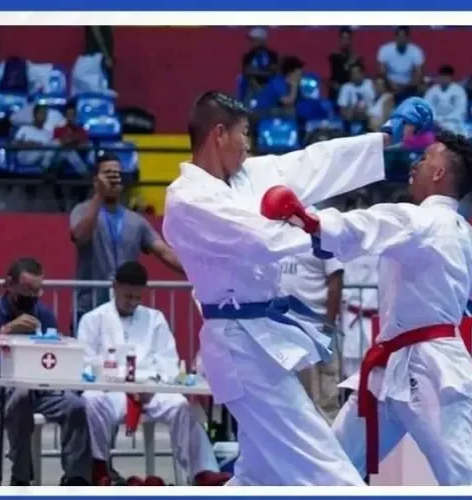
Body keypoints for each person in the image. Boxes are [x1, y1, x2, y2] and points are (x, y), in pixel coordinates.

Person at [160, 91, 434, 486]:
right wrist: (324, 228)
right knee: (329, 470)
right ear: (219, 134)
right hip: (239, 347)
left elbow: (316, 162)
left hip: (261, 339)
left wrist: (386, 138)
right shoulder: (188, 199)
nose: (248, 144)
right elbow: (260, 239)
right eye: (244, 134)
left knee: (259, 478)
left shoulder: (249, 176)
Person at [260, 130, 472, 485]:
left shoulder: (418, 219)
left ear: (439, 172)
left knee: (463, 480)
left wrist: (310, 220)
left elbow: (365, 224)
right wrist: (448, 291)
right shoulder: (469, 237)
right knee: (333, 464)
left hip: (430, 367)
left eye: (424, 159)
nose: (415, 164)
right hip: (391, 366)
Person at [77, 261, 229, 486]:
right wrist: (120, 381)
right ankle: (99, 467)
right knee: (91, 400)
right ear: (115, 287)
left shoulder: (155, 319)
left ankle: (202, 472)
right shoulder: (93, 320)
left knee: (181, 406)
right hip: (113, 391)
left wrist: (150, 384)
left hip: (152, 390)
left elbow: (168, 361)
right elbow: (86, 364)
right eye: (128, 296)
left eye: (138, 298)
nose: (133, 303)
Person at [0, 257, 92, 485]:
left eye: (38, 290)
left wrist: (59, 345)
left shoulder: (44, 313)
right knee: (20, 394)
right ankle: (21, 477)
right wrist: (7, 330)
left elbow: (53, 358)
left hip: (41, 388)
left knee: (76, 406)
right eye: (27, 290)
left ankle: (76, 478)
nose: (33, 296)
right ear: (9, 284)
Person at [69, 153, 183, 325]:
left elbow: (165, 252)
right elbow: (80, 237)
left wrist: (198, 272)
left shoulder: (136, 221)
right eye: (108, 174)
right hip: (89, 306)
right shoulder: (82, 210)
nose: (114, 179)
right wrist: (99, 195)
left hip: (125, 308)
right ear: (95, 181)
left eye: (118, 174)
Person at [279, 247, 345, 422]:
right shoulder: (276, 235)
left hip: (317, 330)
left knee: (325, 403)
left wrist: (327, 326)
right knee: (289, 403)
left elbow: (335, 282)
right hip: (284, 332)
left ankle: (331, 447)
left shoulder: (322, 238)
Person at [338, 192, 379, 379]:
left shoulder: (379, 245)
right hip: (349, 315)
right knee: (348, 374)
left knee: (375, 373)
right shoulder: (337, 246)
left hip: (375, 316)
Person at [376, 26, 425, 100]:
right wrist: (391, 83)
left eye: (404, 37)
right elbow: (382, 71)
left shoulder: (416, 51)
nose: (401, 40)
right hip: (389, 84)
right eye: (399, 36)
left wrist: (406, 86)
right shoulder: (385, 49)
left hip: (409, 85)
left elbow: (418, 74)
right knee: (379, 82)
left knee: (422, 86)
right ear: (395, 37)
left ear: (408, 38)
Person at [423, 65, 468, 135]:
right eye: (442, 76)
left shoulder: (459, 91)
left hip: (453, 122)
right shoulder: (432, 91)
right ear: (439, 77)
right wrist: (435, 120)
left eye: (447, 76)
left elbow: (460, 111)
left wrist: (444, 119)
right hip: (435, 122)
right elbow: (427, 108)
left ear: (451, 77)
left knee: (453, 129)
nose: (444, 78)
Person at [328, 27, 361, 101]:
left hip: (352, 89)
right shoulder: (334, 57)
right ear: (340, 40)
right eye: (343, 39)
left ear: (350, 41)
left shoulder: (356, 59)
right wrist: (349, 64)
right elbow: (334, 77)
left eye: (347, 39)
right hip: (338, 89)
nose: (345, 41)